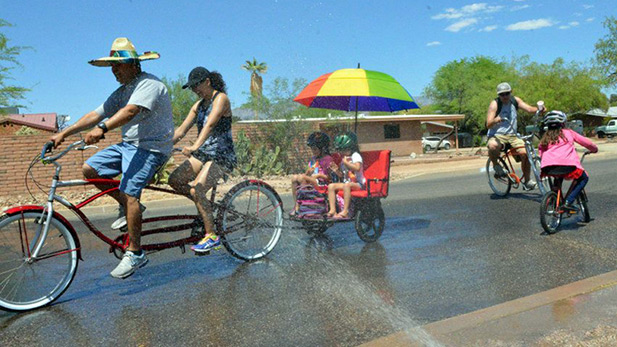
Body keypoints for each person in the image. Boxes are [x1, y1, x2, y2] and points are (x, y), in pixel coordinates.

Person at [50, 37, 174, 279]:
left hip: (152, 148)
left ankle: (136, 252)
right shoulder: (122, 91)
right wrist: (63, 133)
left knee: (130, 193)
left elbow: (130, 111)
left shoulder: (149, 84)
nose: (114, 71)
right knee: (89, 170)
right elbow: (95, 114)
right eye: (112, 67)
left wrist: (103, 129)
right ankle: (130, 207)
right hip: (128, 146)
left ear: (133, 64)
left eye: (118, 65)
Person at [168, 67, 237, 254]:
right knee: (174, 180)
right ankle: (204, 206)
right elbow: (181, 131)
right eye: (191, 88)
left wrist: (195, 146)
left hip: (222, 155)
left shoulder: (221, 98)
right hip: (205, 154)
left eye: (197, 85)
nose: (194, 90)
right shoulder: (198, 106)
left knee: (198, 188)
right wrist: (163, 146)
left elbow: (211, 124)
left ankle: (212, 236)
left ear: (207, 82)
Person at [486, 82, 544, 190]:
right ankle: (496, 166)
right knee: (493, 145)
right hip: (497, 135)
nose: (504, 97)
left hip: (512, 135)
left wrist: (539, 110)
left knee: (526, 153)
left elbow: (529, 109)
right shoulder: (495, 104)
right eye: (502, 94)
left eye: (507, 94)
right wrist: (495, 120)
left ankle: (527, 181)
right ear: (498, 95)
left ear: (511, 92)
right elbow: (488, 124)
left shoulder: (515, 101)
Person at [538, 111, 598, 212]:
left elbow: (541, 153)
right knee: (584, 178)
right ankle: (568, 202)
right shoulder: (569, 133)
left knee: (557, 175)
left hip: (548, 167)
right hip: (568, 166)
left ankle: (554, 199)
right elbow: (587, 143)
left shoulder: (545, 137)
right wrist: (594, 149)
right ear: (563, 123)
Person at [290, 132, 333, 216]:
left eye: (315, 149)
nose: (313, 151)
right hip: (312, 180)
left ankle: (304, 204)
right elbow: (308, 174)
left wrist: (319, 175)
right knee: (294, 178)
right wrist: (308, 172)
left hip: (322, 183)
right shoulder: (313, 159)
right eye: (312, 149)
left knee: (302, 177)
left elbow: (329, 178)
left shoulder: (327, 159)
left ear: (323, 148)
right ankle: (297, 204)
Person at [327, 132, 364, 219]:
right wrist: (336, 170)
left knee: (347, 185)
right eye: (340, 150)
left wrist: (346, 163)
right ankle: (333, 210)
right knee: (331, 186)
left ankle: (346, 210)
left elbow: (357, 168)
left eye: (343, 150)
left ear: (351, 147)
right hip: (347, 183)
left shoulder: (355, 156)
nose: (341, 152)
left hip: (358, 184)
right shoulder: (344, 159)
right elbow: (342, 175)